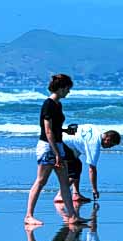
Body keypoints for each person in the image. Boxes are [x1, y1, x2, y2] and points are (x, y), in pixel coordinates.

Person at [24, 74, 89, 225]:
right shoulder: (48, 104)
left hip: (57, 145)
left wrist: (65, 132)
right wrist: (57, 154)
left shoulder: (58, 104)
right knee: (41, 181)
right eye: (67, 89)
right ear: (61, 88)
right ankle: (28, 215)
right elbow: (47, 131)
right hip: (48, 147)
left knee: (64, 183)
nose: (69, 92)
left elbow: (55, 128)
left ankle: (72, 216)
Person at [54, 125, 121, 203]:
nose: (110, 147)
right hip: (61, 144)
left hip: (60, 138)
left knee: (77, 166)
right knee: (74, 172)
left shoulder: (96, 130)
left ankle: (76, 194)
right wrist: (94, 189)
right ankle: (60, 195)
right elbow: (92, 169)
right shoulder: (94, 144)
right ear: (107, 139)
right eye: (111, 145)